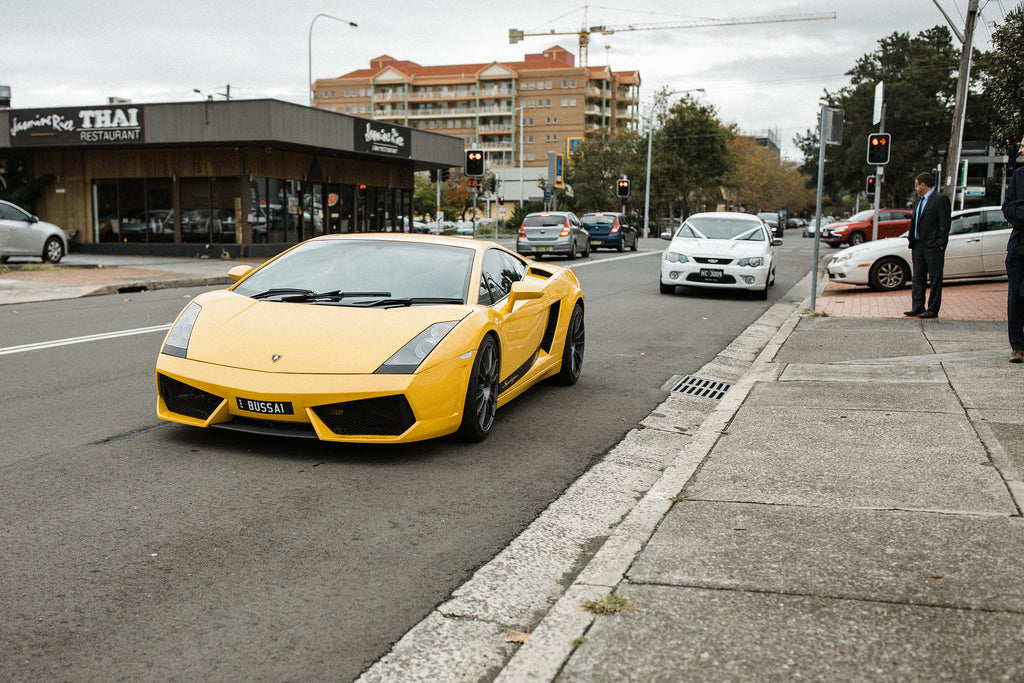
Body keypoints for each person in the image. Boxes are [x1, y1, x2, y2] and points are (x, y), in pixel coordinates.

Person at [904, 172, 952, 319]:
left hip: (933, 247)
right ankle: (917, 306)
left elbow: (944, 224)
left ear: (923, 185)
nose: (916, 188)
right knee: (918, 277)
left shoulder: (940, 199)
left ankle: (932, 309)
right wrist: (911, 239)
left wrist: (940, 244)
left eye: (916, 185)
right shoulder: (918, 201)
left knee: (935, 278)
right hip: (918, 245)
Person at [1001, 134, 1024, 364]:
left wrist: (1020, 208)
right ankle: (1017, 347)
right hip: (1018, 250)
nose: (1020, 148)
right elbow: (1008, 208)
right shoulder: (1019, 175)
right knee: (1015, 299)